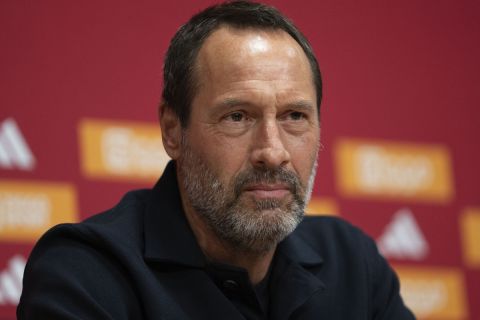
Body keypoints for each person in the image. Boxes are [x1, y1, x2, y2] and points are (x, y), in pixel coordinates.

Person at [18, 1, 415, 319]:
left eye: (295, 116)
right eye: (237, 117)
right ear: (173, 131)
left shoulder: (352, 263)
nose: (272, 151)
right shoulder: (86, 273)